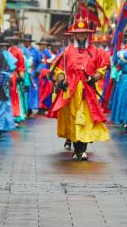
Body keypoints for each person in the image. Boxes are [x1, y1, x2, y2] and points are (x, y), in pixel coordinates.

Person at [48, 16, 110, 160]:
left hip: (87, 92)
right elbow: (58, 70)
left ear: (88, 34)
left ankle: (82, 149)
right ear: (74, 35)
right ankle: (77, 149)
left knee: (86, 120)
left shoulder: (96, 52)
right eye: (78, 33)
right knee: (73, 119)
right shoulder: (67, 52)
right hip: (70, 92)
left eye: (84, 33)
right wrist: (61, 80)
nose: (81, 35)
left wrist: (94, 77)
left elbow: (102, 68)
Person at [21, 34, 42, 117]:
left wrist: (38, 70)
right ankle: (23, 108)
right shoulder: (21, 50)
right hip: (23, 73)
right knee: (23, 91)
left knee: (31, 92)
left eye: (28, 41)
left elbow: (41, 61)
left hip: (33, 74)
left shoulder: (35, 51)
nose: (26, 43)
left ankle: (29, 108)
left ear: (30, 42)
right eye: (25, 41)